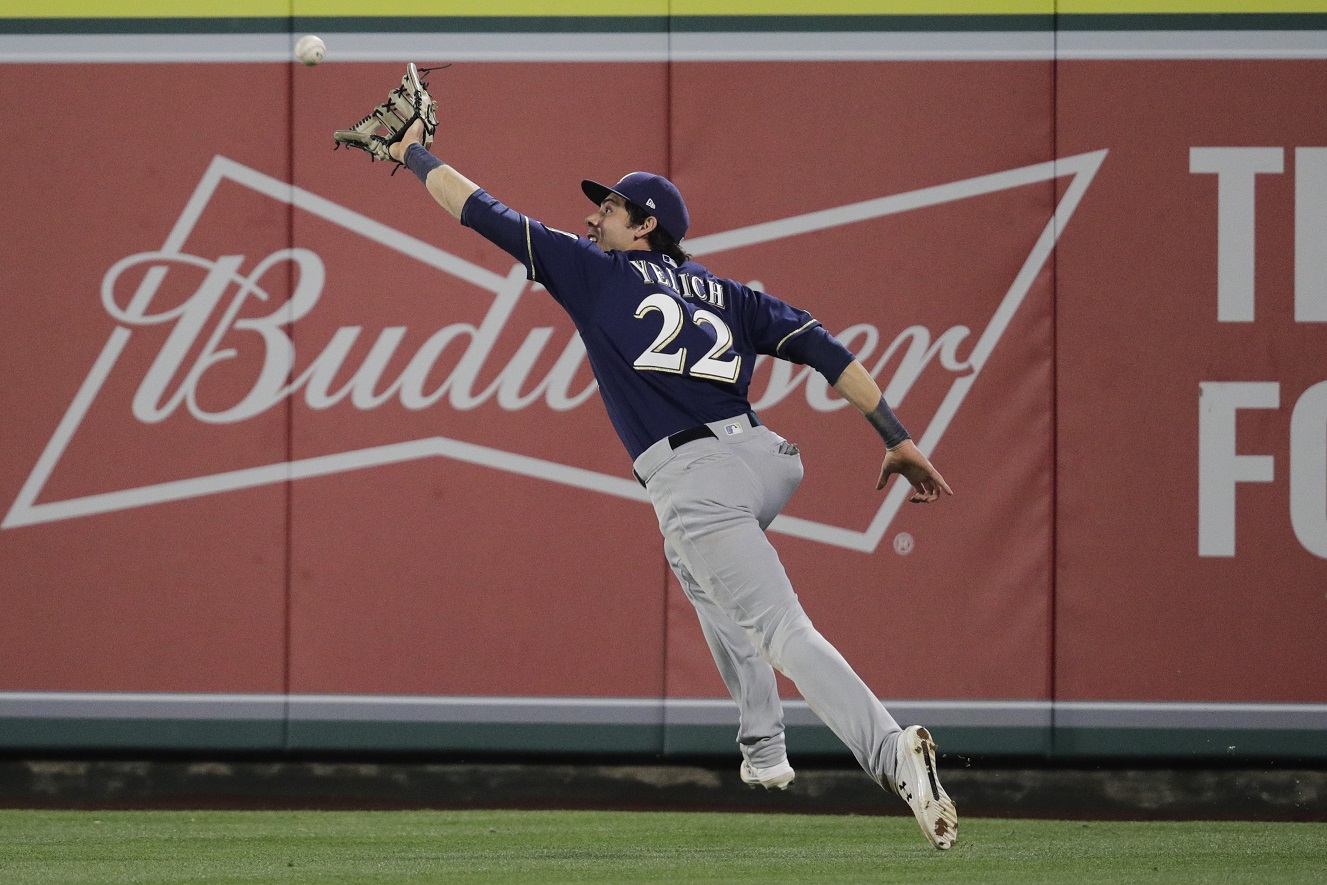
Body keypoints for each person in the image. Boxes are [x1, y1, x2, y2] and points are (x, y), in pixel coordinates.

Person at [384, 120, 958, 850]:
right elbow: (825, 348)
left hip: (695, 474)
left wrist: (410, 152)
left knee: (779, 626)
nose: (593, 217)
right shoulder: (727, 292)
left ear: (645, 225)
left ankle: (892, 756)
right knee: (698, 570)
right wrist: (895, 434)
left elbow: (477, 209)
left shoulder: (597, 272)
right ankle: (764, 747)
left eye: (610, 208)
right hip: (763, 458)